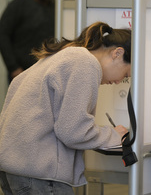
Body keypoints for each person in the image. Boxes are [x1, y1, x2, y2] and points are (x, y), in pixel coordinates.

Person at [0, 22, 131, 194]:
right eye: (126, 74)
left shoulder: (61, 56)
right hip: (40, 176)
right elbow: (73, 131)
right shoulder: (85, 62)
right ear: (117, 53)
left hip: (14, 171)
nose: (119, 81)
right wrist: (114, 136)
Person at [0, 0, 55, 83]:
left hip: (48, 71)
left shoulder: (55, 6)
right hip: (21, 71)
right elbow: (3, 35)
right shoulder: (18, 5)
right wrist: (13, 67)